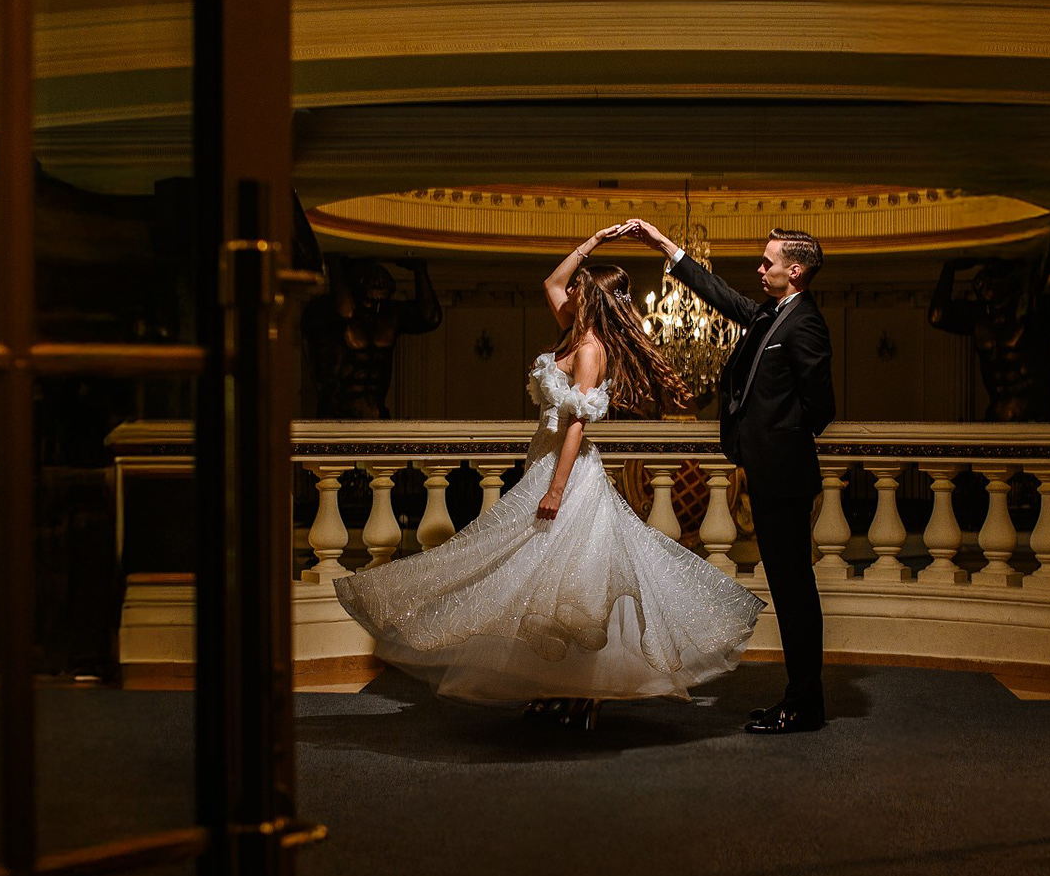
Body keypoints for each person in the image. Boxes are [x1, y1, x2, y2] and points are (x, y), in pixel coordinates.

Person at [333, 224, 764, 730]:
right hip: (542, 462)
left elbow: (577, 425)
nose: (571, 289)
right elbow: (550, 283)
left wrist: (557, 489)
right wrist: (592, 242)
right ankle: (557, 686)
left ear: (592, 297)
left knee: (568, 587)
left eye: (580, 286)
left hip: (569, 473)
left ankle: (580, 692)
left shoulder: (590, 349)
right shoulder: (571, 330)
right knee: (542, 584)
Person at [623, 218, 836, 734]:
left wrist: (776, 437)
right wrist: (667, 248)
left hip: (784, 474)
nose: (759, 269)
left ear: (795, 270)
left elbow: (821, 407)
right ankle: (799, 698)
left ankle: (803, 705)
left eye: (768, 262)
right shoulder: (770, 314)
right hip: (767, 471)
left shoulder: (805, 322)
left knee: (794, 591)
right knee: (786, 588)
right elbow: (722, 295)